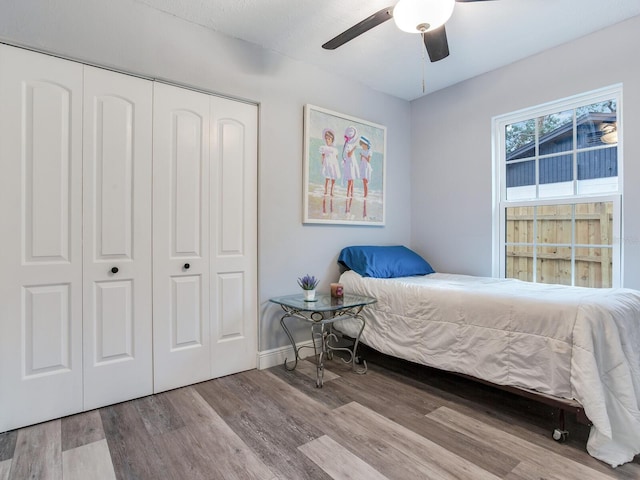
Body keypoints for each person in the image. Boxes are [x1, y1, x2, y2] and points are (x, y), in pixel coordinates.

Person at [342, 126, 359, 212]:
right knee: (350, 180)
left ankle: (351, 194)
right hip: (349, 164)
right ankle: (348, 194)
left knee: (352, 180)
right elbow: (348, 155)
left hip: (351, 164)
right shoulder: (348, 145)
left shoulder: (348, 144)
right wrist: (354, 149)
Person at [319, 128, 340, 196]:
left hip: (333, 164)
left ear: (332, 140)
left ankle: (332, 192)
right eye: (326, 139)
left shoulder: (335, 149)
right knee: (327, 178)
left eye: (329, 139)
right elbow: (323, 155)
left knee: (333, 179)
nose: (327, 140)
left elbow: (336, 157)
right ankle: (325, 191)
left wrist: (336, 164)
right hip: (327, 164)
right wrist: (322, 161)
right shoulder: (324, 147)